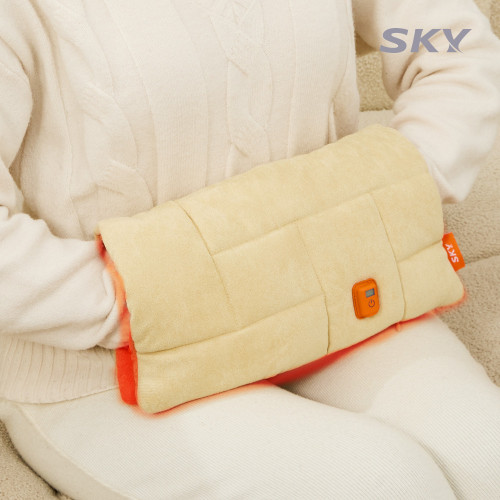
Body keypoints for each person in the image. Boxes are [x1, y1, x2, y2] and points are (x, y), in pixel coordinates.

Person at [0, 0, 499, 498]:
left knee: (487, 456)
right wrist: (149, 302)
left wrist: (402, 188)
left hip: (334, 295)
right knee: (384, 484)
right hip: (108, 363)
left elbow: (448, 42)